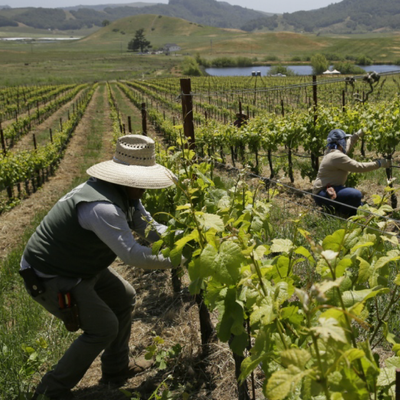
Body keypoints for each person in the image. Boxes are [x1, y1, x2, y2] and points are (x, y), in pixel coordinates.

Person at [20, 135, 178, 400]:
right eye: (142, 182)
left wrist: (189, 238)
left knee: (124, 297)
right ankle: (50, 391)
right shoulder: (102, 207)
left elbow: (150, 229)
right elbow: (133, 255)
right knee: (103, 328)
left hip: (79, 265)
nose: (145, 189)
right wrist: (180, 258)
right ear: (126, 178)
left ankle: (116, 368)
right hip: (50, 273)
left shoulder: (125, 196)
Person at [312, 128, 391, 217]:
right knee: (355, 195)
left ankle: (338, 211)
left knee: (359, 207)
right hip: (323, 195)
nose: (345, 142)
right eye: (344, 140)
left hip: (324, 193)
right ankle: (339, 214)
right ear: (340, 142)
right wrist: (379, 164)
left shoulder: (332, 152)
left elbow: (349, 143)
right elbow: (359, 167)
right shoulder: (336, 156)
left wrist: (357, 134)